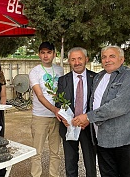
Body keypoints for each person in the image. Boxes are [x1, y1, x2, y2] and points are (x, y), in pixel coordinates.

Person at [73, 45, 130, 177]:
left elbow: (118, 106)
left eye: (112, 56)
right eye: (104, 57)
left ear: (122, 59)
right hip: (102, 141)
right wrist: (88, 120)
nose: (107, 60)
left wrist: (88, 117)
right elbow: (94, 102)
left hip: (125, 141)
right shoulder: (99, 77)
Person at [56, 47, 97, 177]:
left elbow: (100, 102)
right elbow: (59, 102)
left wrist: (88, 119)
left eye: (80, 58)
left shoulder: (95, 78)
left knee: (90, 164)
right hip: (69, 126)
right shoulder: (63, 80)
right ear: (69, 61)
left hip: (88, 127)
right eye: (73, 59)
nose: (77, 62)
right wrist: (64, 118)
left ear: (86, 59)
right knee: (70, 163)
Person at [29, 41, 64, 177]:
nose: (45, 55)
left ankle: (54, 175)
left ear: (54, 54)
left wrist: (61, 111)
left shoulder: (60, 70)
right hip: (40, 117)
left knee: (55, 151)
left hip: (57, 117)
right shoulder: (35, 72)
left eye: (49, 52)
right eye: (43, 52)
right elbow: (39, 95)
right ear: (39, 54)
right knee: (37, 152)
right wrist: (54, 109)